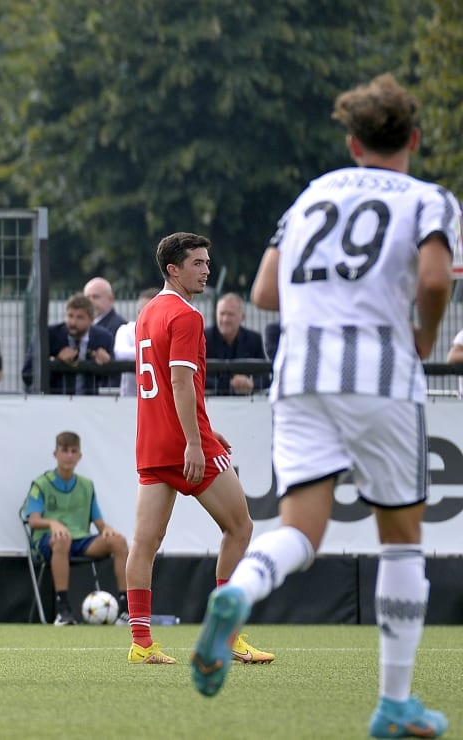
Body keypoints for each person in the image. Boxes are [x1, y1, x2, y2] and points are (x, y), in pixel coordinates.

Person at [192, 75, 459, 738]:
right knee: (401, 543)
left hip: (300, 375)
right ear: (414, 140)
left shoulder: (313, 195)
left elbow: (263, 290)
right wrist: (424, 331)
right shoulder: (431, 199)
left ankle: (238, 593)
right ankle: (394, 703)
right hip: (378, 376)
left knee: (300, 531)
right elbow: (432, 279)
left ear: (352, 141)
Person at [124, 231, 274, 667]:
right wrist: (195, 440)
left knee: (144, 543)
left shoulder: (148, 313)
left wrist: (207, 429)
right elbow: (180, 382)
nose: (206, 269)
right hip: (184, 444)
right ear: (173, 269)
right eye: (197, 263)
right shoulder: (186, 316)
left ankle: (141, 643)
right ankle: (225, 636)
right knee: (241, 528)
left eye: (207, 262)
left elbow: (171, 388)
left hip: (152, 442)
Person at [21, 431, 129, 626]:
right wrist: (52, 523)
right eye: (64, 451)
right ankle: (63, 610)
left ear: (80, 455)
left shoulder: (86, 485)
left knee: (119, 541)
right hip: (49, 542)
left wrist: (107, 529)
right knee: (62, 540)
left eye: (73, 451)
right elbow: (33, 520)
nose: (69, 456)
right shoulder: (41, 484)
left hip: (80, 540)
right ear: (56, 454)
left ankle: (126, 609)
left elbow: (99, 523)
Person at [23, 293, 114, 395]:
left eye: (80, 317)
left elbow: (112, 379)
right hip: (53, 401)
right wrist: (56, 362)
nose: (73, 322)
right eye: (70, 316)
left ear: (91, 320)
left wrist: (106, 364)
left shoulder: (103, 338)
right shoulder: (47, 336)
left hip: (88, 404)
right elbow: (27, 375)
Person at [205, 293, 268, 396]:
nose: (225, 319)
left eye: (230, 314)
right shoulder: (203, 338)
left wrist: (251, 385)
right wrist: (230, 384)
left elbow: (264, 376)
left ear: (242, 317)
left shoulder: (254, 339)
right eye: (222, 314)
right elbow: (195, 375)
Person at [114, 287, 160, 397]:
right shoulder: (126, 329)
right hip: (129, 399)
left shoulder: (169, 331)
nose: (144, 316)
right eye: (141, 311)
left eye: (149, 311)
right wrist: (156, 352)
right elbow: (120, 354)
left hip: (160, 400)